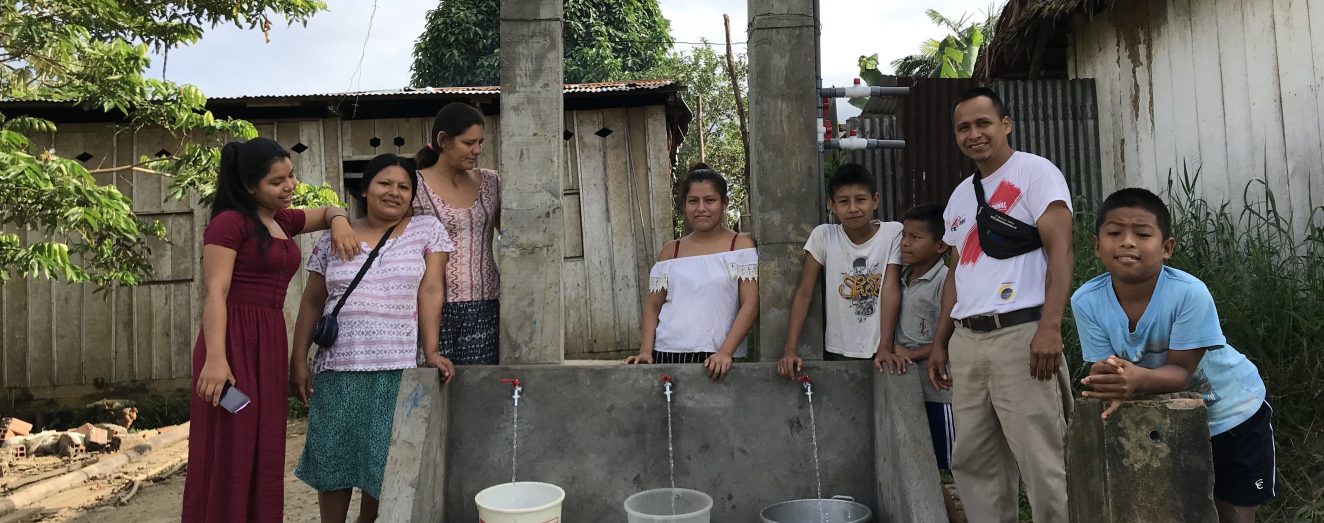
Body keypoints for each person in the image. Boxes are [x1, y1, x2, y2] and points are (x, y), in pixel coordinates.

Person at [183, 137, 359, 523]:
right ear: (249, 186)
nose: (290, 186)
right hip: (231, 343)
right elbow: (215, 292)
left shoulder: (282, 220)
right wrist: (216, 359)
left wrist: (339, 221)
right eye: (277, 181)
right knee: (232, 440)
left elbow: (330, 210)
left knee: (265, 441)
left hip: (268, 342)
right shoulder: (229, 223)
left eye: (291, 176)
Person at [1073, 188, 1275, 523]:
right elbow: (1103, 364)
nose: (1127, 242)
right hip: (1166, 416)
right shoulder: (1086, 301)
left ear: (1167, 248)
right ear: (1096, 245)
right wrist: (1109, 379)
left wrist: (1133, 379)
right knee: (1175, 508)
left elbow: (1181, 371)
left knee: (1233, 513)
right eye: (1114, 233)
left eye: (1142, 234)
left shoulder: (1189, 293)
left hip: (1232, 414)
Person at [926, 87, 1075, 522]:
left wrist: (1050, 327)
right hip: (968, 341)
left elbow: (1062, 251)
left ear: (1005, 124)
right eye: (963, 127)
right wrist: (941, 342)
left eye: (983, 123)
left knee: (1043, 459)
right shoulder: (960, 196)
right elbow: (957, 273)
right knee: (974, 461)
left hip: (1021, 335)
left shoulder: (1036, 173)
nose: (973, 134)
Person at [289, 153, 456, 523]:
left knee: (380, 464)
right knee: (332, 460)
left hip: (395, 370)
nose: (394, 192)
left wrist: (431, 350)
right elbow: (312, 301)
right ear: (365, 189)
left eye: (404, 187)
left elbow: (431, 291)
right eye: (385, 183)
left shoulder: (426, 230)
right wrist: (298, 359)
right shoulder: (334, 236)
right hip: (338, 369)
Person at [624, 163, 757, 381]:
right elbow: (652, 305)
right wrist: (646, 352)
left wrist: (725, 352)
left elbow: (750, 304)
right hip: (666, 353)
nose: (701, 208)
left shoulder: (740, 246)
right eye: (693, 201)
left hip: (717, 360)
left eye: (710, 200)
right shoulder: (671, 251)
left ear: (724, 203)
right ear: (684, 205)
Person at [777, 163, 904, 377]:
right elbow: (804, 293)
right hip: (839, 348)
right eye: (844, 201)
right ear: (832, 205)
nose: (853, 208)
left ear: (875, 200)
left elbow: (891, 290)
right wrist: (790, 349)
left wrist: (885, 345)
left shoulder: (893, 233)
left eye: (860, 199)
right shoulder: (824, 236)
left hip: (882, 349)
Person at [412, 102, 501, 365]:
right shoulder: (413, 185)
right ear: (443, 140)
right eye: (468, 142)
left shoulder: (491, 182)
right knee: (432, 386)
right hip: (428, 308)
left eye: (480, 142)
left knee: (479, 386)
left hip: (485, 306)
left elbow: (513, 235)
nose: (477, 150)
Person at [894, 203, 963, 523]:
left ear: (940, 245)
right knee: (925, 463)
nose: (906, 243)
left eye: (915, 237)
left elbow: (949, 336)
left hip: (939, 390)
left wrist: (910, 353)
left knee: (951, 465)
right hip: (910, 386)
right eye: (904, 236)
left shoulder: (945, 282)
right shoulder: (900, 276)